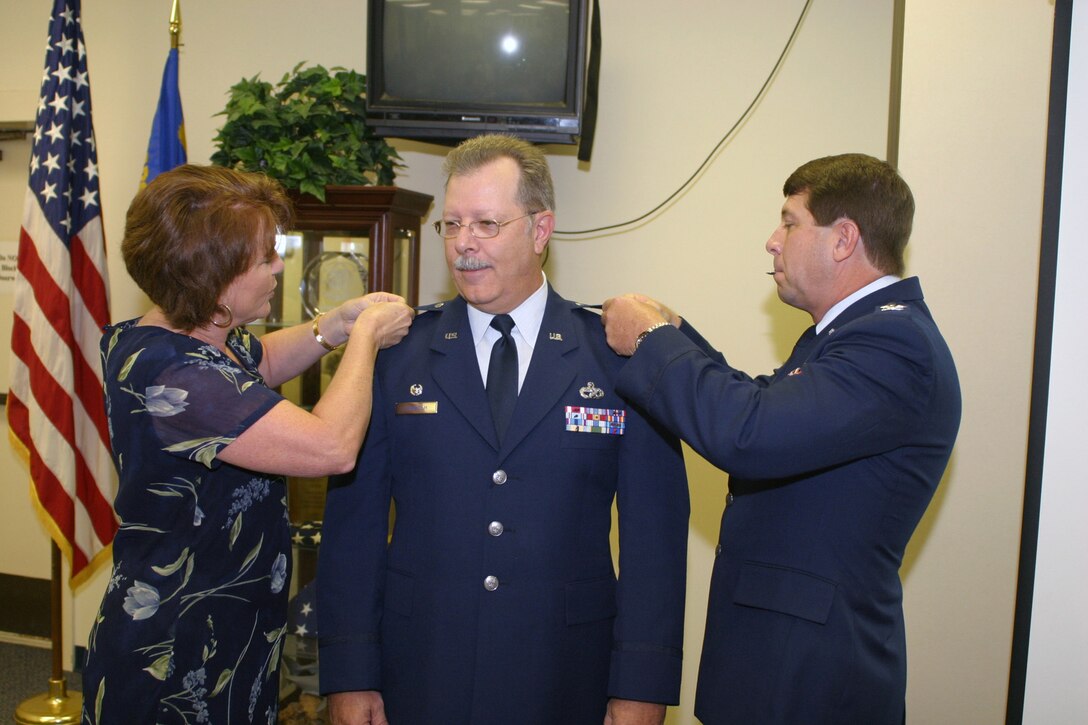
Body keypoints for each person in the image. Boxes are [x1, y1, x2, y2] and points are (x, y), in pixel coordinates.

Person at [318, 134, 690, 725]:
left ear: (540, 231)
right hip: (419, 672)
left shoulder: (616, 357)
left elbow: (655, 542)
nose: (463, 244)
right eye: (452, 224)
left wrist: (642, 687)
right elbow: (354, 529)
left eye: (487, 223)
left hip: (567, 675)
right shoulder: (397, 356)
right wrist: (348, 673)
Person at [600, 153, 961, 724]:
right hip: (781, 669)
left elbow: (749, 434)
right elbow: (762, 405)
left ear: (843, 238)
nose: (773, 240)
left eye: (791, 222)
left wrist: (650, 340)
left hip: (812, 682)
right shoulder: (848, 336)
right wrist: (674, 333)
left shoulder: (892, 344)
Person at [80, 164, 414, 723]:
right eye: (265, 259)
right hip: (178, 654)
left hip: (232, 634)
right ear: (213, 277)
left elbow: (257, 361)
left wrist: (329, 326)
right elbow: (330, 447)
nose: (279, 267)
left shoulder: (183, 336)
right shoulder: (174, 377)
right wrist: (365, 340)